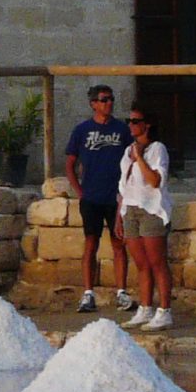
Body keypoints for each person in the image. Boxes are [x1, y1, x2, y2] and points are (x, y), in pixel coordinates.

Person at [63, 84, 134, 314]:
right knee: (91, 243)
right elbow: (70, 164)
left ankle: (121, 291)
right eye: (104, 100)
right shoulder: (82, 130)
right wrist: (79, 191)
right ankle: (88, 292)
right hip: (91, 196)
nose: (108, 103)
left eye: (111, 99)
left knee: (118, 243)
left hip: (115, 197)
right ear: (93, 103)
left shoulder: (122, 130)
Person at [117, 105, 174, 330]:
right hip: (131, 207)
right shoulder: (128, 149)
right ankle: (145, 306)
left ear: (146, 124)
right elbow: (123, 185)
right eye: (129, 121)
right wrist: (118, 215)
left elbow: (155, 181)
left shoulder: (157, 149)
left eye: (135, 121)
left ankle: (165, 310)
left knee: (157, 261)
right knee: (141, 263)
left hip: (151, 209)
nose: (131, 125)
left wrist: (140, 158)